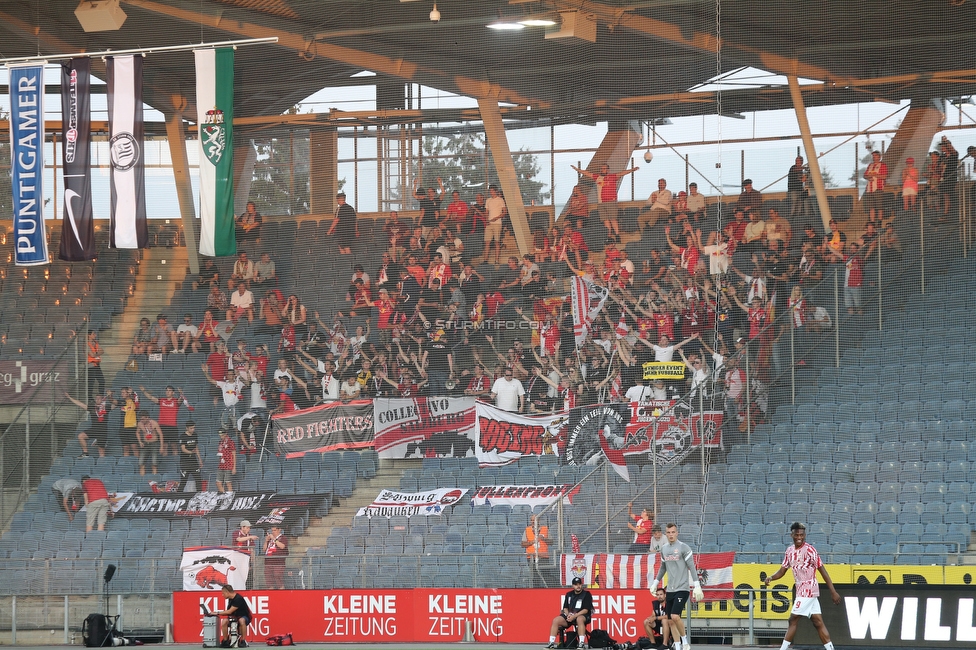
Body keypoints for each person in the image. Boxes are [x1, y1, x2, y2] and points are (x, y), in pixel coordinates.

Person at [764, 522, 841, 650]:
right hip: (801, 591)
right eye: (797, 534)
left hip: (808, 589)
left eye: (802, 534)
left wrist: (833, 591)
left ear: (805, 535)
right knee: (818, 622)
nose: (799, 537)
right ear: (792, 535)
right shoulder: (789, 551)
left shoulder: (810, 550)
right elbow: (782, 571)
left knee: (793, 619)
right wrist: (771, 577)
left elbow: (823, 571)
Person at [649, 523, 704, 650]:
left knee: (675, 616)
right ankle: (678, 646)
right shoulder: (664, 549)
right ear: (666, 534)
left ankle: (685, 641)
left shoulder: (684, 548)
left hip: (682, 588)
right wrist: (655, 583)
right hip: (671, 589)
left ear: (677, 533)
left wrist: (697, 585)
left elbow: (692, 567)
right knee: (669, 621)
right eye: (668, 532)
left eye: (673, 532)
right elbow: (663, 568)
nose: (671, 535)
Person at [571, 162, 638, 243]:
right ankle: (608, 237)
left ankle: (617, 235)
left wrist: (632, 170)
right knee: (605, 220)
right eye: (601, 169)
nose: (602, 170)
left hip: (611, 202)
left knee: (613, 219)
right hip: (601, 203)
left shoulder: (612, 177)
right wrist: (577, 170)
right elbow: (587, 173)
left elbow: (622, 173)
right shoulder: (597, 177)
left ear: (608, 170)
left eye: (604, 168)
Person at [547, 577, 594, 649]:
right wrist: (568, 614)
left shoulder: (586, 594)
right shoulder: (569, 594)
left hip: (582, 616)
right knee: (556, 620)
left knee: (580, 619)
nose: (578, 586)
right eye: (576, 584)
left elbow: (586, 610)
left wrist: (574, 616)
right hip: (570, 616)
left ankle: (581, 643)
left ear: (582, 585)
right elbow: (565, 607)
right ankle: (551, 643)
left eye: (579, 584)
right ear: (573, 586)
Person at [207, 583, 252, 648]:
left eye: (223, 593)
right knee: (224, 621)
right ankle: (225, 641)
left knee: (241, 620)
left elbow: (230, 611)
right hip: (234, 617)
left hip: (244, 617)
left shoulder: (238, 599)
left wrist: (216, 613)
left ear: (227, 592)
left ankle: (243, 640)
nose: (222, 595)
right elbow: (229, 613)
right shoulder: (230, 599)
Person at [484, 186, 508, 265]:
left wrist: (497, 217)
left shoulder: (500, 200)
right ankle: (485, 260)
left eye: (492, 191)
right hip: (489, 223)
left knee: (496, 242)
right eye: (490, 191)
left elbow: (505, 212)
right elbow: (486, 211)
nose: (491, 192)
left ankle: (496, 259)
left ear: (496, 191)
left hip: (497, 223)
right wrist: (487, 220)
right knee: (487, 242)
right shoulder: (488, 200)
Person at [178, 421, 204, 492]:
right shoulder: (183, 436)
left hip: (193, 461)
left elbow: (196, 448)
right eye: (191, 428)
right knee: (183, 481)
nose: (193, 430)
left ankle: (199, 495)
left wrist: (200, 459)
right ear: (187, 428)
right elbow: (183, 449)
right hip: (185, 462)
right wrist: (191, 452)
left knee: (198, 479)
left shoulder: (194, 435)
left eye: (194, 428)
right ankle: (178, 496)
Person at [863, 150, 888, 223]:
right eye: (873, 156)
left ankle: (880, 222)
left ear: (879, 157)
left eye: (875, 156)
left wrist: (875, 175)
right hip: (869, 189)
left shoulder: (882, 165)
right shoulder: (870, 165)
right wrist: (868, 177)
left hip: (878, 188)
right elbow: (864, 175)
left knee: (879, 206)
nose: (874, 157)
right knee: (871, 207)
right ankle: (872, 222)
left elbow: (884, 176)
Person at [136, 410, 164, 476]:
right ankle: (142, 479)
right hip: (145, 444)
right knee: (141, 463)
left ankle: (155, 479)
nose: (142, 420)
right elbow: (137, 432)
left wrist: (161, 446)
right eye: (140, 419)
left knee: (154, 464)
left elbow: (160, 434)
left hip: (154, 444)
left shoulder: (154, 423)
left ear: (147, 417)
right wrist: (140, 441)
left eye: (143, 419)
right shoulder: (140, 424)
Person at [264, 524, 288, 589]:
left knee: (278, 578)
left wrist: (274, 539)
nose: (273, 532)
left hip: (278, 562)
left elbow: (282, 546)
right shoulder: (270, 539)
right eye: (272, 530)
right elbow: (264, 549)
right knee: (269, 580)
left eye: (274, 530)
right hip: (268, 562)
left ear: (279, 530)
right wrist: (266, 541)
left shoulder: (283, 538)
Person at [216, 428, 237, 493]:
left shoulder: (230, 442)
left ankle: (229, 497)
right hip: (221, 465)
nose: (220, 436)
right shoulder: (220, 442)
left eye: (222, 435)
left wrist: (234, 467)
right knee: (218, 483)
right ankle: (223, 496)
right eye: (220, 435)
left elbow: (234, 454)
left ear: (225, 434)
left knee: (228, 483)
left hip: (228, 465)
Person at [86, 330, 105, 396]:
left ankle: (101, 397)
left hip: (97, 365)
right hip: (91, 365)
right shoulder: (86, 344)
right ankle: (89, 397)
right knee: (91, 383)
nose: (95, 335)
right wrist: (97, 353)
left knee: (102, 381)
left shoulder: (95, 343)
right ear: (89, 335)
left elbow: (102, 351)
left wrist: (96, 353)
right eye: (93, 334)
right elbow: (92, 355)